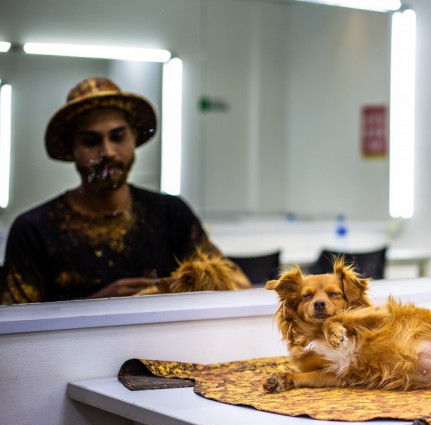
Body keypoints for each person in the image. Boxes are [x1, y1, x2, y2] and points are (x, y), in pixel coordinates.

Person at [0, 77, 249, 304]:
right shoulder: (35, 229)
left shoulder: (169, 213)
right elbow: (17, 329)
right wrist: (96, 304)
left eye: (117, 137)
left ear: (133, 139)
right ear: (72, 150)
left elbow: (236, 286)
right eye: (91, 141)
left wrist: (176, 287)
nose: (107, 152)